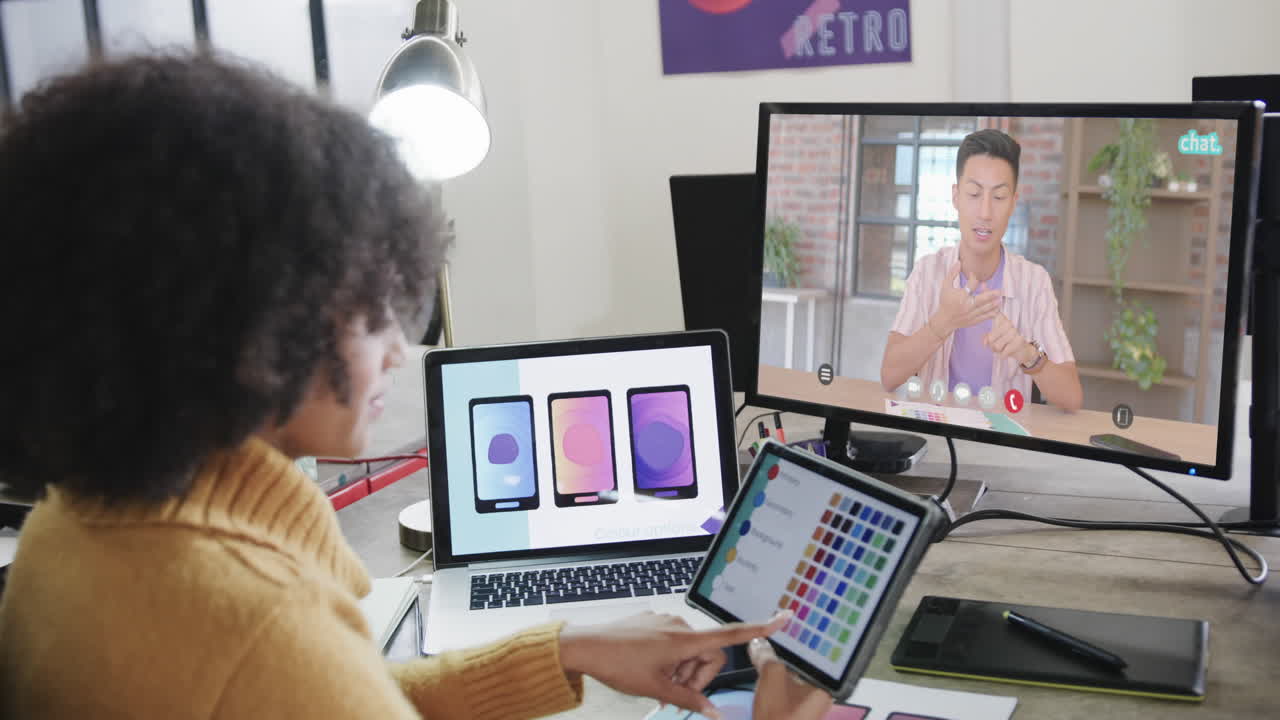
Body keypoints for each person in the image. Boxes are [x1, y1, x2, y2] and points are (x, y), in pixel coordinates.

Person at [0, 55, 833, 720]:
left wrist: (567, 649)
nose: (401, 350)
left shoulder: (70, 526)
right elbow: (298, 680)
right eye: (370, 310)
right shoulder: (255, 627)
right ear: (247, 321)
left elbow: (342, 696)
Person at [879, 129, 1082, 412]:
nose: (985, 212)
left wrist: (1026, 353)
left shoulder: (1034, 282)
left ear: (1013, 202)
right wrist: (944, 321)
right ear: (956, 197)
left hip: (1003, 435)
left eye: (998, 197)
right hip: (938, 431)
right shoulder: (928, 272)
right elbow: (890, 376)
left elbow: (1072, 398)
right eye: (974, 194)